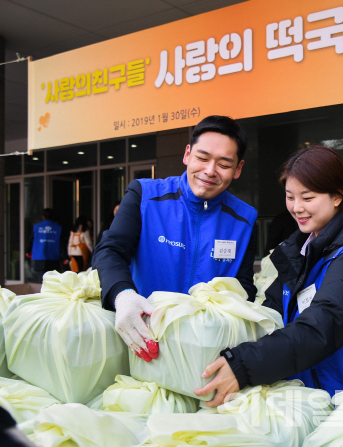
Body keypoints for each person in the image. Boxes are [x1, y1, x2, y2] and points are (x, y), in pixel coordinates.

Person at [194, 145, 343, 407]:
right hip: (305, 400)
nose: (297, 208)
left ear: (337, 196)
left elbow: (318, 330)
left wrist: (244, 365)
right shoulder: (302, 250)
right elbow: (268, 315)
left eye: (307, 198)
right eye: (290, 197)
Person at [93, 115, 258, 363]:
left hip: (206, 351)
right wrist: (122, 295)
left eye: (224, 164)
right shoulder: (144, 195)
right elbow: (110, 251)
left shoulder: (244, 219)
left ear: (238, 169)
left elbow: (244, 285)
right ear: (187, 155)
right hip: (142, 340)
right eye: (202, 158)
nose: (210, 171)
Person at [27, 208, 62, 283]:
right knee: (53, 279)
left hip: (40, 256)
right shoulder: (58, 227)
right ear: (53, 217)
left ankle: (42, 293)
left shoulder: (37, 227)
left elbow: (31, 239)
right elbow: (61, 243)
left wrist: (28, 251)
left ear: (43, 216)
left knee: (41, 279)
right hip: (53, 256)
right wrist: (64, 257)